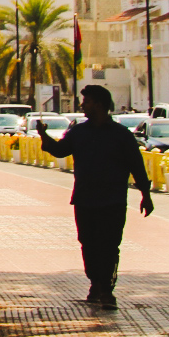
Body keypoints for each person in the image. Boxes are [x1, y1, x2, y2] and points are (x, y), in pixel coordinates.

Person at [35, 83, 154, 310]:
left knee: (109, 246)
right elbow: (60, 150)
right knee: (88, 243)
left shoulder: (121, 135)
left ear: (99, 104)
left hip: (113, 201)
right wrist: (43, 135)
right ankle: (95, 282)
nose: (83, 105)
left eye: (87, 101)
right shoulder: (79, 132)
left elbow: (136, 166)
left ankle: (107, 289)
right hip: (85, 199)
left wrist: (146, 196)